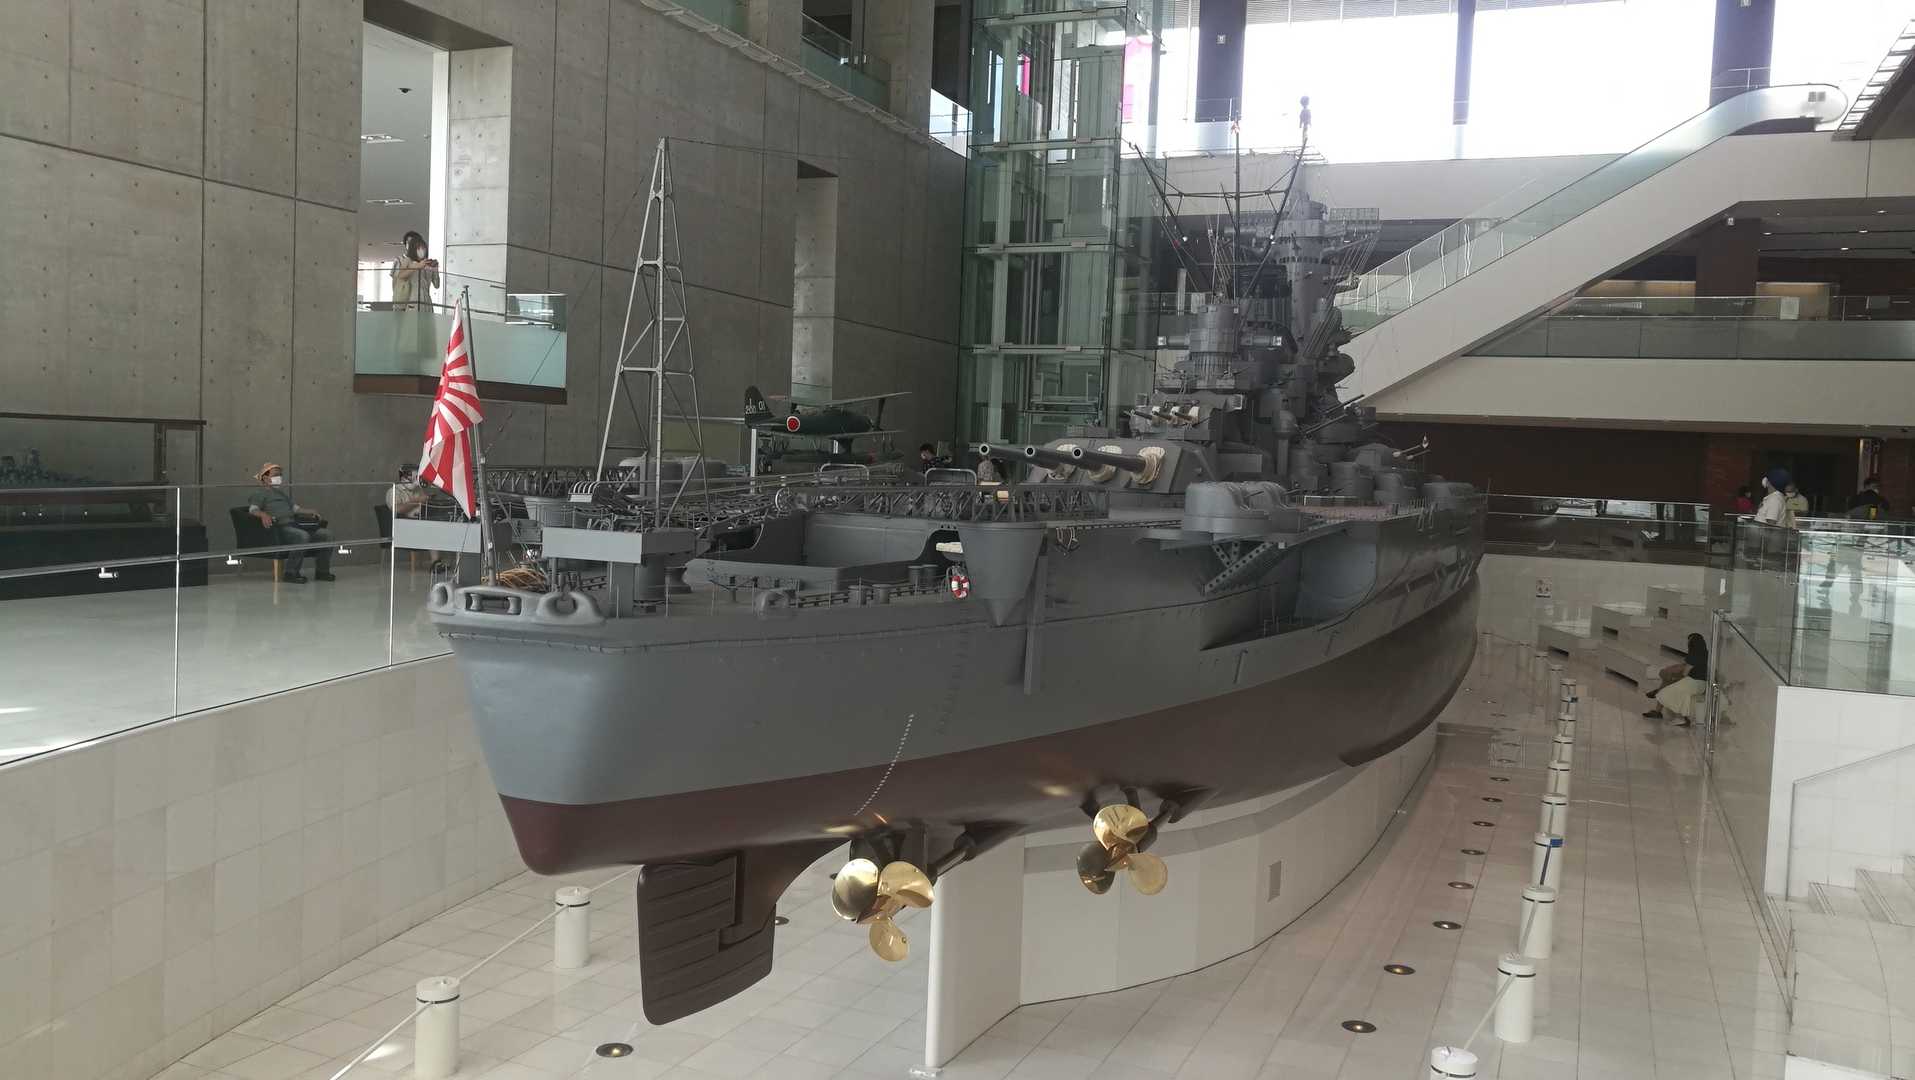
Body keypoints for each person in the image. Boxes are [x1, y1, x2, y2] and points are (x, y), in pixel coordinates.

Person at [248, 463, 334, 583]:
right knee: (302, 536)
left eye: (280, 475)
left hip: (295, 525)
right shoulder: (259, 494)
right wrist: (263, 515)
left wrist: (311, 512)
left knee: (326, 535)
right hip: (280, 528)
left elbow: (296, 509)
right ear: (266, 478)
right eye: (276, 475)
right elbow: (253, 509)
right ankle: (291, 573)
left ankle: (322, 572)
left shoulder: (281, 494)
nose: (279, 477)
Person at [1644, 633, 1709, 724]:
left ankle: (1658, 701)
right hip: (1701, 683)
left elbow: (1685, 673)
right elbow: (1684, 666)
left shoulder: (1695, 654)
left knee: (1666, 685)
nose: (1687, 643)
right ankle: (1657, 704)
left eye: (1689, 641)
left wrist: (1672, 677)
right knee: (1667, 679)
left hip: (1694, 683)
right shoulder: (1705, 653)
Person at [390, 231, 439, 309]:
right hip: (408, 302)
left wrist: (435, 269)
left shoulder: (428, 263)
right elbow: (398, 279)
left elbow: (437, 285)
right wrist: (398, 302)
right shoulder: (403, 260)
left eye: (422, 247)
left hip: (426, 303)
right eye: (409, 242)